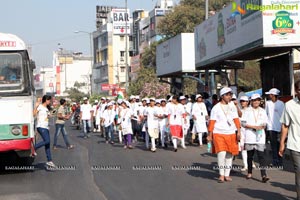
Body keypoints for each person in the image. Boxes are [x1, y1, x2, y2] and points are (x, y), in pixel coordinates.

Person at [207, 87, 241, 183]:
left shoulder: (232, 106)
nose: (229, 96)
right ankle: (221, 175)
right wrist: (210, 134)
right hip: (219, 133)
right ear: (222, 96)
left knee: (229, 154)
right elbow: (212, 122)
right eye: (227, 95)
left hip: (231, 133)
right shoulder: (216, 107)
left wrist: (239, 132)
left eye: (230, 94)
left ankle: (227, 174)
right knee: (221, 154)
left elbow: (236, 119)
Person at [279, 80, 300, 200]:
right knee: (299, 171)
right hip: (295, 144)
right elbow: (285, 125)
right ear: (296, 91)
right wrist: (282, 143)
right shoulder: (289, 105)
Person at [242, 93, 269, 182]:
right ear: (251, 101)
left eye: (258, 100)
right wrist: (254, 127)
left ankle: (264, 175)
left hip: (260, 136)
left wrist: (263, 126)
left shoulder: (262, 110)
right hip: (250, 136)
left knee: (262, 156)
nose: (256, 102)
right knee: (250, 156)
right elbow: (243, 123)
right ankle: (249, 172)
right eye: (254, 100)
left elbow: (265, 122)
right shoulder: (247, 111)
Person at [33, 95, 56, 168]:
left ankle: (49, 161)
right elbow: (34, 114)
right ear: (46, 100)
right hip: (41, 126)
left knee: (47, 144)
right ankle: (34, 148)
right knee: (47, 141)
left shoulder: (46, 108)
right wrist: (36, 106)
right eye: (49, 100)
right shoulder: (40, 106)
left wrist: (51, 114)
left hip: (46, 127)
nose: (50, 102)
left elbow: (48, 116)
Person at [265, 88, 285, 167]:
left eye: (270, 94)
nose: (269, 96)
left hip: (279, 127)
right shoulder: (268, 103)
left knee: (280, 145)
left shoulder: (281, 104)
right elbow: (266, 114)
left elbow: (284, 116)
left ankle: (280, 161)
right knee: (273, 146)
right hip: (271, 127)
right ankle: (275, 161)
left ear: (273, 95)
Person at [239, 96, 250, 172]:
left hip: (250, 131)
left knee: (250, 149)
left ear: (247, 102)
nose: (242, 102)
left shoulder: (251, 111)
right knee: (243, 149)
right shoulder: (239, 111)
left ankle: (250, 162)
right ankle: (245, 165)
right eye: (241, 101)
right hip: (242, 132)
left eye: (244, 101)